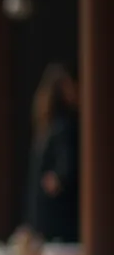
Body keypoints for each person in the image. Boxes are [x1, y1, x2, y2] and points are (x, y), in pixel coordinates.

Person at [26, 63, 80, 243]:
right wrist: (58, 178)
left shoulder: (47, 128)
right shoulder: (62, 127)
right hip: (58, 213)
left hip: (45, 211)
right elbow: (66, 165)